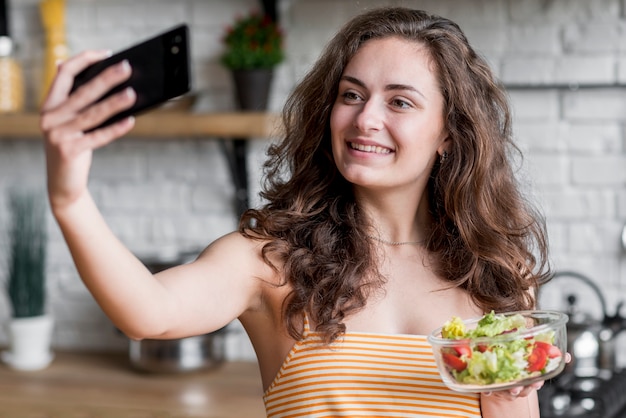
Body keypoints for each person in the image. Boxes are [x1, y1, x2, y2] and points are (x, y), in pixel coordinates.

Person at [41, 7, 552, 418]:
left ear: (447, 133)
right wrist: (69, 198)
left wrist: (511, 387)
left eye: (399, 103)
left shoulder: (495, 272)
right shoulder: (270, 260)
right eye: (352, 94)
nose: (366, 118)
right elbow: (147, 312)